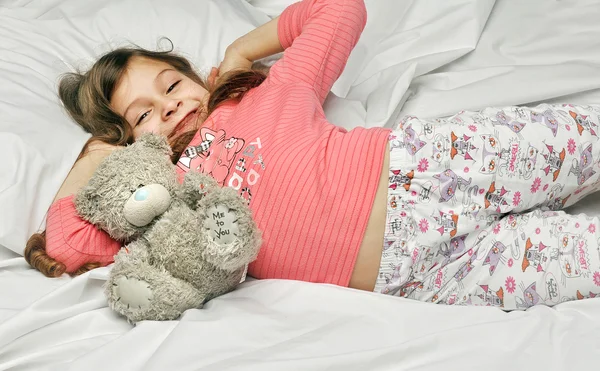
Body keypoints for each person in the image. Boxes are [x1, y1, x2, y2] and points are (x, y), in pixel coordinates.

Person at [25, 0, 600, 309]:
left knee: (586, 141)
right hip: (416, 279)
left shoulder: (266, 94)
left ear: (199, 79)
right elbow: (68, 245)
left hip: (434, 170)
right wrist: (100, 148)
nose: (167, 109)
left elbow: (341, 9)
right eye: (143, 114)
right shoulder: (166, 197)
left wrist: (242, 50)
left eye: (171, 87)